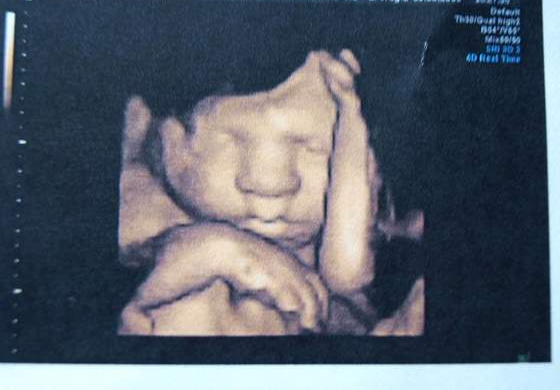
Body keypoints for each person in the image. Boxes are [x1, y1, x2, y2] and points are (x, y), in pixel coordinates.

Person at [117, 49, 424, 335]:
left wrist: (346, 264)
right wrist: (212, 250)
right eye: (232, 141)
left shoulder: (390, 238)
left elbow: (349, 311)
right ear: (164, 135)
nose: (270, 183)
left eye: (312, 148)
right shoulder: (139, 201)